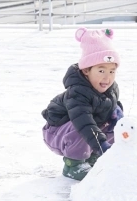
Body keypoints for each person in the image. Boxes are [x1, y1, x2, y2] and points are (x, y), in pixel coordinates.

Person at [41, 27, 125, 181]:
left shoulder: (111, 88)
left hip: (83, 131)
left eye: (112, 71)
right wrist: (101, 145)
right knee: (82, 126)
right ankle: (73, 165)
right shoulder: (77, 93)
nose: (107, 78)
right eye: (101, 71)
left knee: (113, 124)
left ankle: (92, 159)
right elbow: (84, 122)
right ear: (86, 70)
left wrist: (117, 114)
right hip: (57, 133)